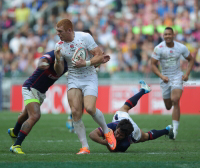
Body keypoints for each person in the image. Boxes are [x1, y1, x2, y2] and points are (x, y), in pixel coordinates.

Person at [54, 19, 116, 154]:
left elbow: (99, 56)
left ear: (69, 30)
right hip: (73, 78)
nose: (58, 34)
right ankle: (85, 147)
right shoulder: (59, 46)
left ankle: (107, 130)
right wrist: (58, 59)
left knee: (89, 108)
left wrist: (86, 63)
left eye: (60, 31)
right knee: (75, 111)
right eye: (57, 31)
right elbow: (59, 71)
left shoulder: (85, 37)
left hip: (89, 77)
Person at [8, 50, 68, 154]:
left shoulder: (69, 62)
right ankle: (16, 145)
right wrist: (42, 64)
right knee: (35, 115)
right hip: (31, 87)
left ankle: (14, 132)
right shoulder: (54, 54)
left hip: (41, 92)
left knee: (26, 114)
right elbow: (43, 59)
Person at [89, 80, 174, 152]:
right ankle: (143, 90)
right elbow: (92, 134)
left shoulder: (125, 143)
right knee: (124, 108)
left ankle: (166, 130)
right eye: (118, 132)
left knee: (145, 136)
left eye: (121, 135)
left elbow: (112, 149)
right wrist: (103, 141)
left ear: (125, 136)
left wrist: (107, 141)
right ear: (117, 127)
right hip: (123, 120)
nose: (117, 136)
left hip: (134, 130)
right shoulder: (113, 126)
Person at [151, 27, 194, 140]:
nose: (167, 36)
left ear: (173, 35)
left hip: (177, 76)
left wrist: (187, 74)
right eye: (165, 34)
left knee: (175, 100)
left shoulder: (180, 47)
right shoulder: (159, 48)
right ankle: (173, 126)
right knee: (168, 106)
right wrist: (161, 76)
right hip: (164, 78)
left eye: (169, 34)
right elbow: (152, 64)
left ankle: (174, 131)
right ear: (163, 36)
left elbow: (191, 59)